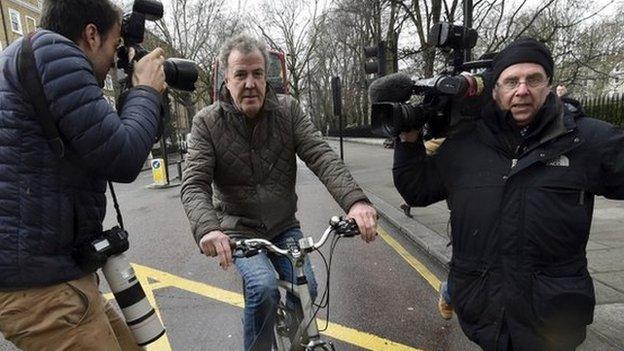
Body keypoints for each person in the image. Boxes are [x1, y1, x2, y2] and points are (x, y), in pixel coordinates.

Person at [393, 37, 624, 350]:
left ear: (549, 85)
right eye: (511, 80)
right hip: (485, 314)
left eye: (534, 79)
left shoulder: (585, 140)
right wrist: (408, 137)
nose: (522, 90)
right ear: (495, 90)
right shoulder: (465, 144)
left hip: (554, 322)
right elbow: (417, 189)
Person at [180, 33, 378, 350]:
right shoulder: (207, 122)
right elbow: (194, 183)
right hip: (239, 229)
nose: (250, 83)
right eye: (240, 75)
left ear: (266, 75)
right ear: (226, 80)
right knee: (263, 287)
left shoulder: (288, 111)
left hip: (284, 225)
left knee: (309, 287)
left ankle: (297, 343)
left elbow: (322, 156)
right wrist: (208, 230)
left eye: (257, 73)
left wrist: (356, 202)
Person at [0, 0, 167, 350]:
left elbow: (104, 142)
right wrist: (146, 91)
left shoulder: (37, 60)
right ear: (91, 35)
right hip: (43, 290)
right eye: (114, 45)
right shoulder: (55, 54)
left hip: (52, 276)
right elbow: (122, 156)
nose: (113, 61)